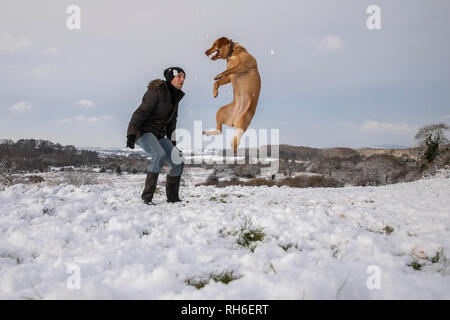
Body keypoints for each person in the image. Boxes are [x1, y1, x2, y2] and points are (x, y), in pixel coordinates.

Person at [126, 67, 186, 205]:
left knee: (178, 160)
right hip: (143, 132)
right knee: (158, 155)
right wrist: (131, 134)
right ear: (171, 78)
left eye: (184, 77)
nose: (182, 80)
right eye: (179, 76)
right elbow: (139, 113)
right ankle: (146, 198)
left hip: (158, 134)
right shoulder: (157, 91)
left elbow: (172, 122)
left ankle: (173, 198)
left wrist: (172, 142)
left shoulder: (175, 97)